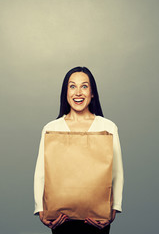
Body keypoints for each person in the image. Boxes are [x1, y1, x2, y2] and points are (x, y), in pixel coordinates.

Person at [34, 66, 124, 234]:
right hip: (61, 218)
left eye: (84, 86)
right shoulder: (51, 128)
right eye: (72, 86)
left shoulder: (108, 127)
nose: (78, 92)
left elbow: (117, 172)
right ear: (65, 92)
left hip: (97, 219)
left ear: (92, 93)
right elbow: (41, 172)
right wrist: (41, 209)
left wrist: (114, 209)